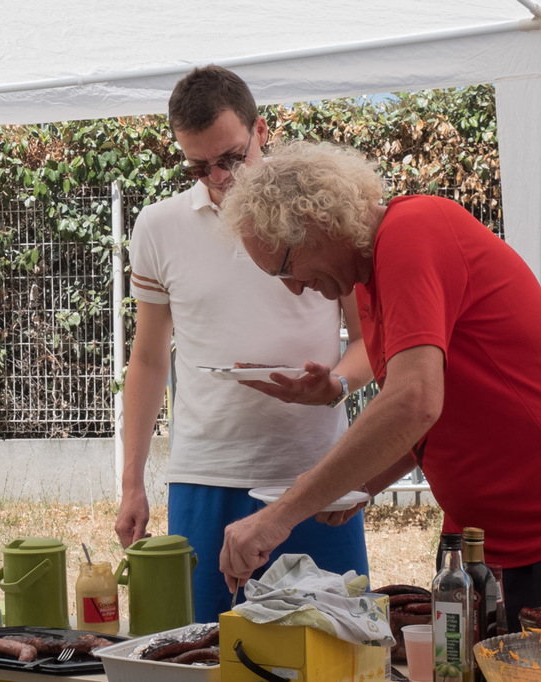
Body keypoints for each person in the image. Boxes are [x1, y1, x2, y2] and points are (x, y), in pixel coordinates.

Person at [218, 140, 541, 631]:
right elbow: (429, 416)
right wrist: (359, 484)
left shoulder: (413, 232)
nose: (294, 287)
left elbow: (413, 402)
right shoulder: (371, 278)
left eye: (285, 267)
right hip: (482, 543)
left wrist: (280, 515)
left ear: (317, 221)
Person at [114, 65, 374, 623]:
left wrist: (337, 383)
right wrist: (132, 483)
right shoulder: (158, 226)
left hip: (315, 474)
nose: (219, 177)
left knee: (336, 638)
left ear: (261, 131)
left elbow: (371, 340)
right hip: (204, 475)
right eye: (198, 166)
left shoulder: (322, 214)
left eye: (231, 158)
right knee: (206, 646)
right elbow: (149, 360)